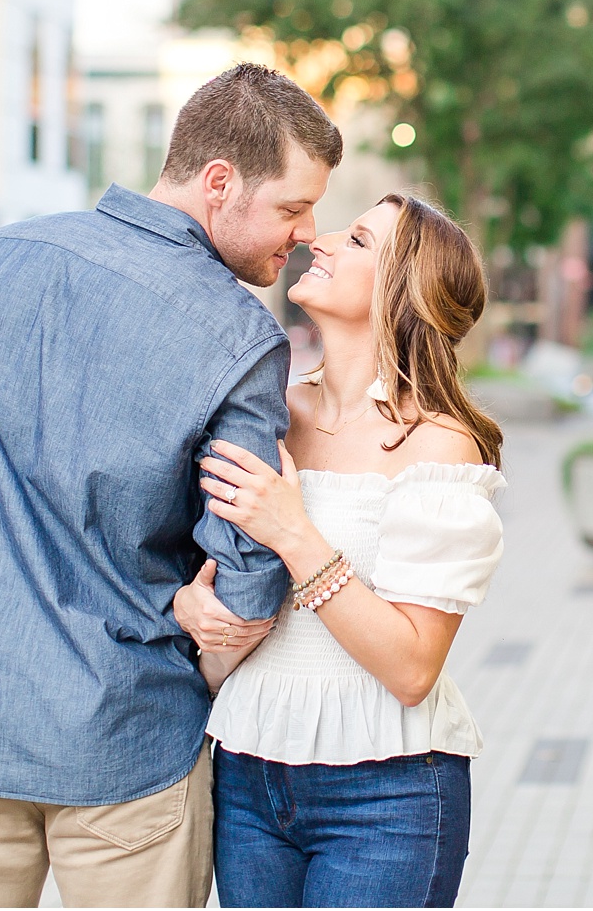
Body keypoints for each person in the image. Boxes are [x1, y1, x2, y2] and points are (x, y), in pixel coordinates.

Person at [0, 63, 341, 908]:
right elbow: (247, 578)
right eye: (292, 208)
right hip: (129, 745)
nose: (306, 233)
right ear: (219, 181)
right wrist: (179, 683)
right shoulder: (240, 336)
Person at [172, 193, 507, 908]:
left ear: (401, 288)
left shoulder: (438, 443)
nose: (318, 241)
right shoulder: (270, 412)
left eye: (356, 240)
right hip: (248, 773)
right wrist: (187, 601)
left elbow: (413, 668)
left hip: (386, 792)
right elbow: (189, 555)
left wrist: (295, 533)